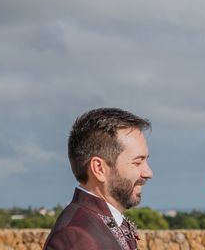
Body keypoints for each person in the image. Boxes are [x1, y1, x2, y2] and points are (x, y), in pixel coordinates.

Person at [44, 107, 153, 250]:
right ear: (99, 169)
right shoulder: (74, 237)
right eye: (137, 162)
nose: (148, 173)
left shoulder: (100, 224)